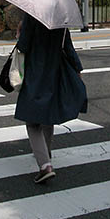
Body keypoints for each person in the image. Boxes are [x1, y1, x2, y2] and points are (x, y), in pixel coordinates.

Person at [14, 13, 87, 184]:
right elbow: (68, 47)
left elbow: (23, 46)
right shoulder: (60, 18)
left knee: (32, 121)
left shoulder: (32, 16)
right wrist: (78, 70)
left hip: (35, 72)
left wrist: (20, 32)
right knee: (48, 113)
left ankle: (44, 165)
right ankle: (46, 152)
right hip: (55, 70)